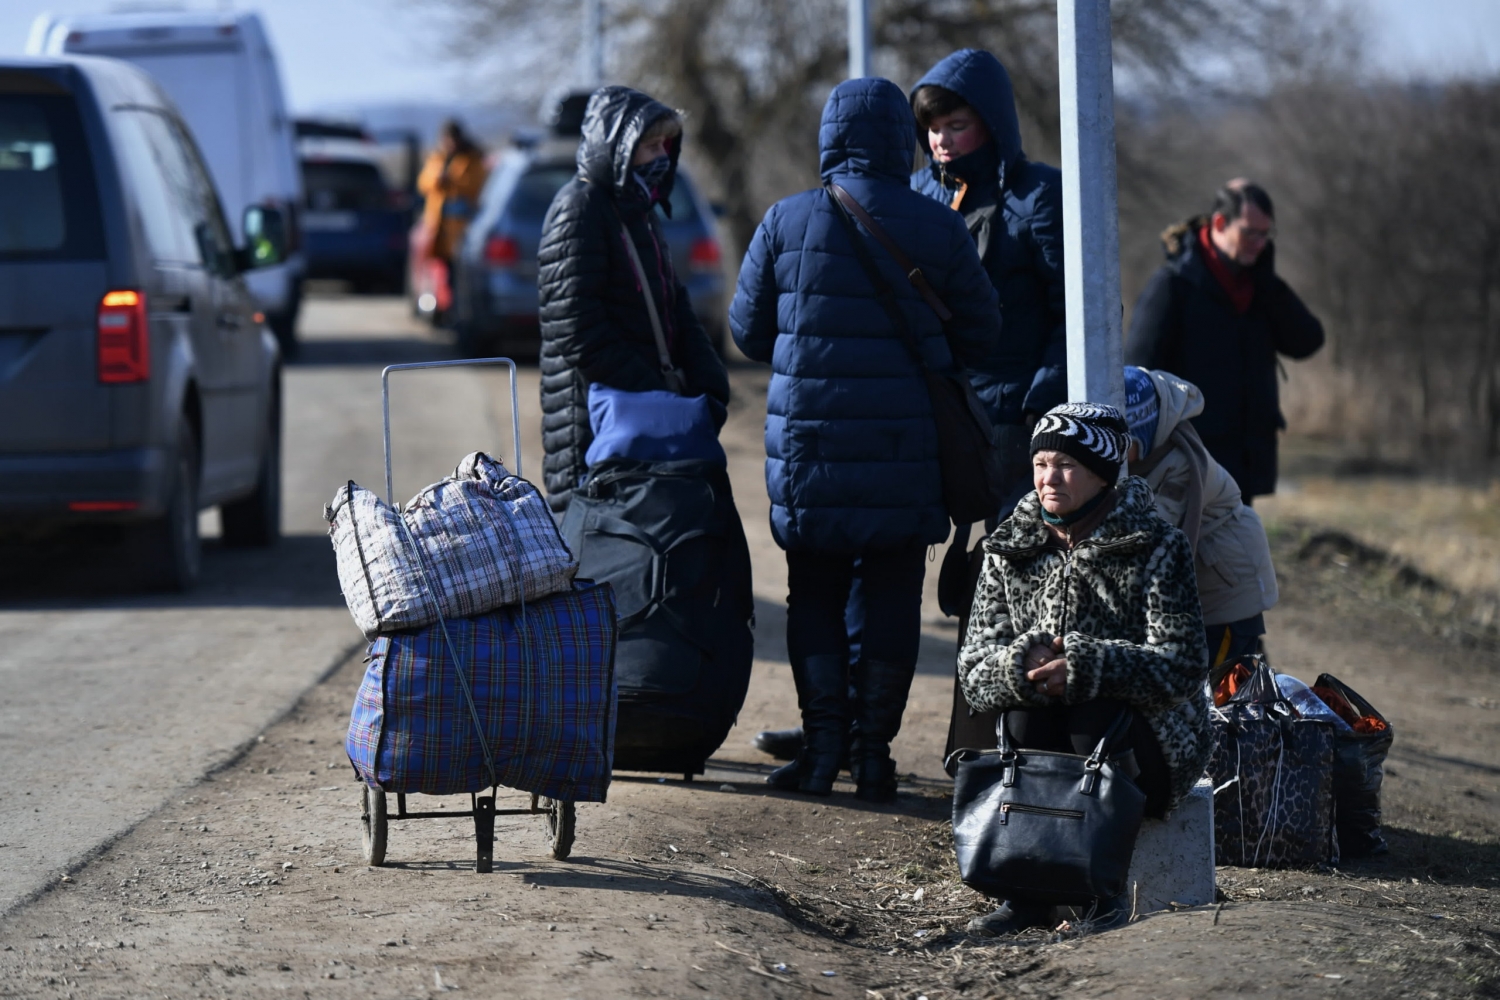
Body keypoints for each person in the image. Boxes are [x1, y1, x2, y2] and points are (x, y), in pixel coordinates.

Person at [752, 48, 1069, 766]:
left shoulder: (1037, 196)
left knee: (999, 584)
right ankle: (848, 730)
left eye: (957, 125)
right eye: (932, 127)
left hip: (1008, 419)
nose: (942, 140)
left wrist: (1041, 393)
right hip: (924, 415)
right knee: (876, 574)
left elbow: (1074, 305)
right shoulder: (919, 197)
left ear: (993, 124)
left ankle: (996, 739)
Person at [730, 76, 1000, 802]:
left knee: (814, 595)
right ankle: (874, 759)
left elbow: (747, 332)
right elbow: (984, 332)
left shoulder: (786, 220)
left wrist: (806, 342)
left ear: (830, 137)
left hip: (810, 448)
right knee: (891, 597)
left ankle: (821, 755)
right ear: (900, 141)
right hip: (904, 448)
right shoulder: (938, 224)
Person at [958, 402, 1210, 935]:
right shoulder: (1009, 547)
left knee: (1092, 714)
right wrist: (1021, 664)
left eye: (1067, 465)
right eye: (1040, 463)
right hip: (1044, 738)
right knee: (1024, 714)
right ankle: (1024, 896)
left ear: (1102, 475)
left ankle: (1102, 895)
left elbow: (1183, 666)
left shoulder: (1155, 546)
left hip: (1148, 744)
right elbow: (974, 671)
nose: (1049, 479)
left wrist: (1089, 666)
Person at [536, 87, 730, 512]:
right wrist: (654, 394)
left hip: (640, 422)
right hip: (595, 430)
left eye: (665, 145)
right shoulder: (580, 209)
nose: (662, 156)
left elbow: (673, 302)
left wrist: (709, 382)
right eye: (651, 145)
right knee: (597, 543)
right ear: (618, 147)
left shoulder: (637, 208)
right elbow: (577, 329)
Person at [1124, 181, 1324, 502]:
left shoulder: (1259, 286)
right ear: (1219, 223)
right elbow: (1138, 371)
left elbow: (1307, 341)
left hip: (1246, 455)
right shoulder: (1174, 285)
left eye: (1266, 234)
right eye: (1250, 233)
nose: (1259, 244)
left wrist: (1269, 284)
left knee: (1238, 535)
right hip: (1189, 458)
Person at [1124, 367, 1279, 666]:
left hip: (1227, 587)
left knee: (1223, 679)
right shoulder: (1147, 453)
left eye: (1123, 443)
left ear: (1143, 436)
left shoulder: (1182, 464)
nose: (1109, 451)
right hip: (1207, 580)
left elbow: (1150, 532)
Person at [417, 119, 489, 268]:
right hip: (436, 225)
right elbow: (422, 184)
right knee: (437, 268)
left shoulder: (472, 158)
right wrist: (437, 181)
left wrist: (451, 182)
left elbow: (477, 185)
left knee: (458, 267)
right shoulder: (436, 158)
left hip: (461, 226)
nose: (450, 144)